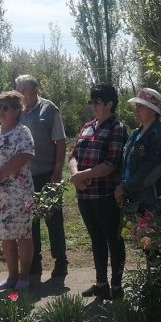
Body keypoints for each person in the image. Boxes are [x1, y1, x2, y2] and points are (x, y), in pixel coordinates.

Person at [69, 84, 127, 300]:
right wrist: (76, 175)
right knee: (96, 238)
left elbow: (111, 163)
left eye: (97, 102)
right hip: (85, 195)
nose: (93, 106)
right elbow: (73, 155)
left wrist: (82, 176)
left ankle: (117, 287)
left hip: (106, 195)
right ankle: (101, 283)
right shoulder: (87, 126)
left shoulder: (117, 128)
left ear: (110, 104)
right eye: (91, 102)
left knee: (113, 239)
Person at [0, 90, 35, 290]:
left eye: (6, 107)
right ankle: (11, 277)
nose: (1, 111)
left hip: (19, 194)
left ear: (17, 110)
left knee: (23, 235)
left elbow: (24, 155)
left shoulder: (22, 132)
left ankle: (24, 277)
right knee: (6, 235)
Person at [14, 75, 68, 280]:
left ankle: (60, 261)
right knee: (30, 222)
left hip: (47, 174)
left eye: (24, 90)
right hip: (24, 177)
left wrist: (57, 170)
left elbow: (60, 141)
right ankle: (34, 262)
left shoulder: (49, 109)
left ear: (35, 90)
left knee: (53, 219)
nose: (21, 95)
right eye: (18, 90)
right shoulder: (16, 111)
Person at [116, 88, 161, 214]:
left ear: (153, 111)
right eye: (136, 106)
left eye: (141, 106)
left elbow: (153, 171)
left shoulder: (160, 136)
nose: (136, 110)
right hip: (133, 202)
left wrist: (124, 187)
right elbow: (125, 164)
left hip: (153, 206)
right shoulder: (135, 134)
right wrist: (122, 188)